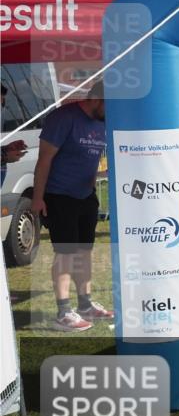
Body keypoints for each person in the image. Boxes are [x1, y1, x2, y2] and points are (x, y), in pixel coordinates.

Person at [31, 81, 113, 332]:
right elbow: (44, 159)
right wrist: (38, 197)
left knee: (84, 252)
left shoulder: (101, 121)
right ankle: (64, 311)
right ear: (97, 100)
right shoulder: (63, 118)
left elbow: (91, 160)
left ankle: (85, 304)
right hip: (58, 195)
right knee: (65, 253)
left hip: (85, 196)